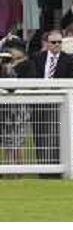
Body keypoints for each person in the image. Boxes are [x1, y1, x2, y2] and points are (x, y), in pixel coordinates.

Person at [31, 30, 73, 166]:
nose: (56, 45)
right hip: (39, 100)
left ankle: (55, 166)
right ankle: (43, 167)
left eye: (59, 42)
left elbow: (70, 81)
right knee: (40, 135)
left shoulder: (68, 59)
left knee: (56, 135)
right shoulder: (37, 57)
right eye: (53, 42)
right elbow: (33, 78)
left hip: (58, 102)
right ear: (47, 43)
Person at [0, 38, 36, 172]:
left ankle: (18, 170)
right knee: (6, 141)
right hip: (4, 107)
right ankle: (6, 169)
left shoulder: (28, 64)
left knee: (18, 141)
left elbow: (30, 83)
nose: (9, 51)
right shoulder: (4, 63)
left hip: (20, 107)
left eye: (12, 48)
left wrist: (12, 71)